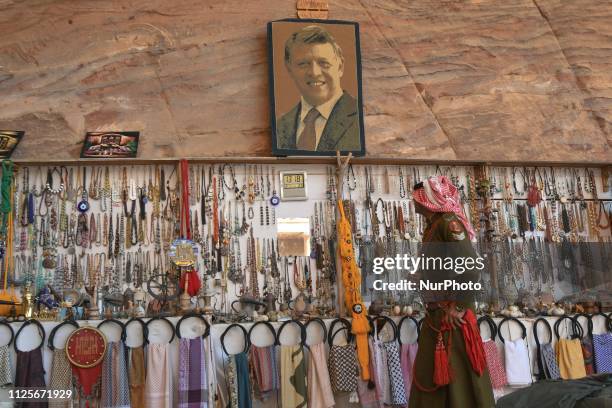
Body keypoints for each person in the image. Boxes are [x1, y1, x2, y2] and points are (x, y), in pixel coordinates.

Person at [409, 176, 495, 408]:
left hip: (453, 318)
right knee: (432, 376)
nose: (413, 201)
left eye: (416, 196)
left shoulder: (448, 223)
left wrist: (458, 306)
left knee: (460, 381)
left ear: (426, 199)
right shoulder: (433, 227)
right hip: (437, 315)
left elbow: (470, 268)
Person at [276, 25, 361, 152]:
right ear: (289, 69)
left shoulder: (362, 117)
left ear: (340, 67)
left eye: (324, 63)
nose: (315, 73)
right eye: (303, 64)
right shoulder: (279, 126)